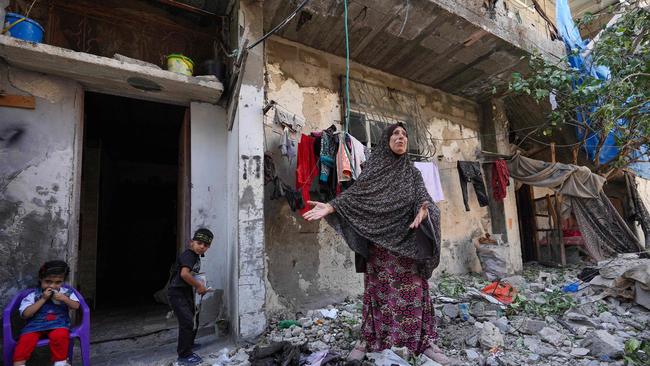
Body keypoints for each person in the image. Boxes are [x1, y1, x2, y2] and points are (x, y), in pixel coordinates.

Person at [303, 123, 450, 364]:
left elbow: (422, 198)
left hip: (407, 246)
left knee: (413, 294)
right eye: (396, 133)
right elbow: (357, 196)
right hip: (379, 248)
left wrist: (424, 211)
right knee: (379, 295)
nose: (401, 137)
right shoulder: (372, 168)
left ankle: (422, 342)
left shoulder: (413, 173)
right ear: (386, 140)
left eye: (404, 134)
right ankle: (370, 339)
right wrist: (331, 206)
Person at [13, 260, 80, 366]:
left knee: (60, 335)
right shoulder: (32, 295)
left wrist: (64, 299)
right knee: (25, 340)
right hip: (35, 327)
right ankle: (19, 363)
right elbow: (26, 314)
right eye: (48, 282)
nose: (52, 286)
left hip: (58, 325)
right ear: (41, 279)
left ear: (62, 281)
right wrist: (42, 299)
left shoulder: (65, 293)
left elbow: (76, 306)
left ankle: (60, 362)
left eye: (58, 282)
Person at [168, 228, 213, 366]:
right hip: (177, 292)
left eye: (205, 245)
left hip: (184, 291)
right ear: (191, 242)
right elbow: (184, 274)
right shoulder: (189, 255)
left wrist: (201, 284)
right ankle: (184, 355)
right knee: (187, 321)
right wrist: (199, 286)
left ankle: (189, 344)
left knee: (191, 316)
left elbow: (190, 275)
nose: (202, 247)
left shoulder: (195, 256)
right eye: (199, 243)